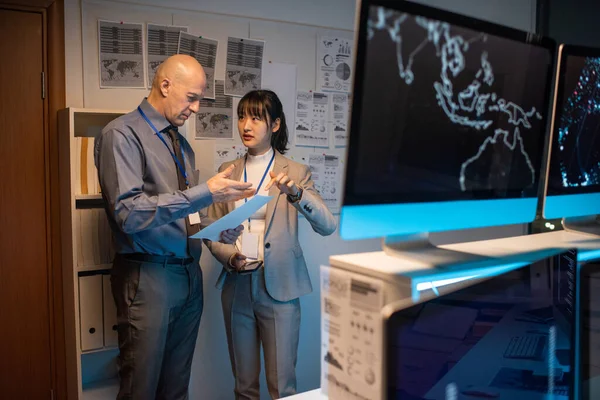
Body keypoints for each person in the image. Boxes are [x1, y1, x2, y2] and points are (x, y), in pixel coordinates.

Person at [94, 54, 255, 400]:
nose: (196, 109)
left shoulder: (181, 144)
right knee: (141, 387)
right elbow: (128, 213)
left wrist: (214, 228)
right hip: (148, 278)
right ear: (165, 86)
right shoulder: (121, 134)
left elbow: (185, 214)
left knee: (176, 388)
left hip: (188, 277)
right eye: (192, 98)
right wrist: (205, 193)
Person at [206, 89, 337, 399]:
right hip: (237, 285)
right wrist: (228, 256)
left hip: (279, 286)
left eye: (256, 118)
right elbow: (212, 230)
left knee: (282, 387)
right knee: (244, 385)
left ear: (275, 125)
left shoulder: (296, 172)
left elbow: (327, 225)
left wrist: (297, 194)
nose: (246, 126)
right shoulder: (226, 173)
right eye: (241, 117)